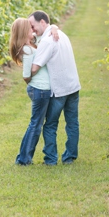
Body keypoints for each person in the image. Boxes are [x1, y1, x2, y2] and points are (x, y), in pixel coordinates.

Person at [29, 10, 81, 165]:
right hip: (73, 85)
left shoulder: (47, 41)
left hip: (59, 89)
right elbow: (39, 37)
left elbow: (34, 68)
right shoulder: (61, 34)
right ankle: (70, 157)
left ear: (43, 22)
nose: (32, 30)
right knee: (72, 123)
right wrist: (54, 27)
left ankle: (50, 159)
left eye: (33, 26)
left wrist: (26, 72)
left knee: (50, 125)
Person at [10, 18, 52, 165]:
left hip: (40, 89)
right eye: (30, 29)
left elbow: (46, 35)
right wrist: (33, 81)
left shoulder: (30, 46)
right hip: (40, 90)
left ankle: (23, 157)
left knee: (35, 124)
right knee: (35, 125)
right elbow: (26, 74)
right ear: (23, 32)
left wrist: (54, 28)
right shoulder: (27, 49)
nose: (33, 30)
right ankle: (23, 159)